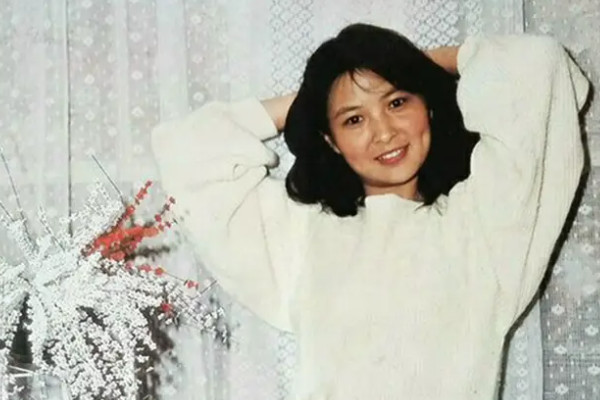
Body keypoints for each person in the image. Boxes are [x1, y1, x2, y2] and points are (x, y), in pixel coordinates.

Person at [151, 23, 589, 399]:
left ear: (427, 107)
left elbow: (537, 67)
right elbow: (189, 150)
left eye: (397, 102)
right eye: (353, 119)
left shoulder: (483, 226)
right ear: (330, 140)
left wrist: (407, 66)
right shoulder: (301, 237)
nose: (383, 133)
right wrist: (319, 95)